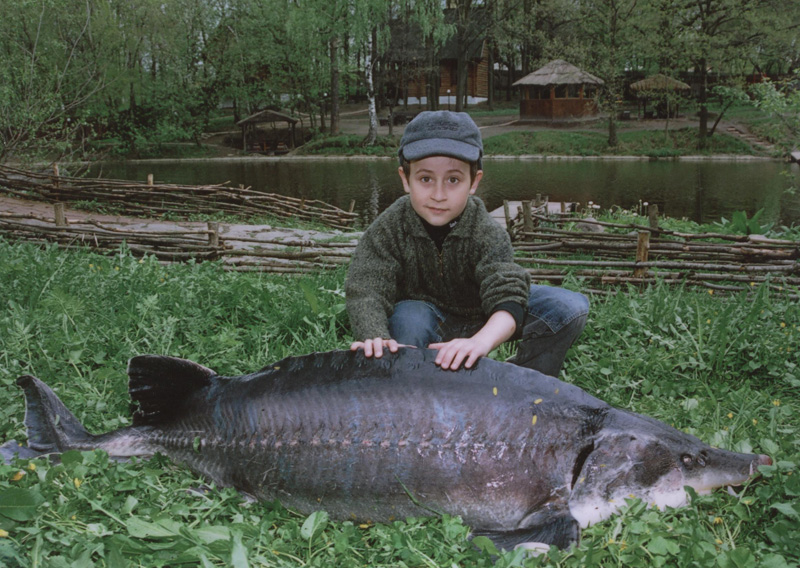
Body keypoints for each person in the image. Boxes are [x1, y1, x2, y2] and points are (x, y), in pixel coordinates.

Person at [345, 110, 588, 375]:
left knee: (569, 308)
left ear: (474, 182)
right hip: (424, 321)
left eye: (453, 180)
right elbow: (366, 287)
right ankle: (414, 385)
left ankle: (525, 379)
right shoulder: (389, 227)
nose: (438, 195)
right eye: (425, 179)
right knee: (408, 317)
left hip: (483, 316)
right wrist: (374, 335)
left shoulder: (486, 231)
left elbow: (507, 292)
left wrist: (481, 341)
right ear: (405, 179)